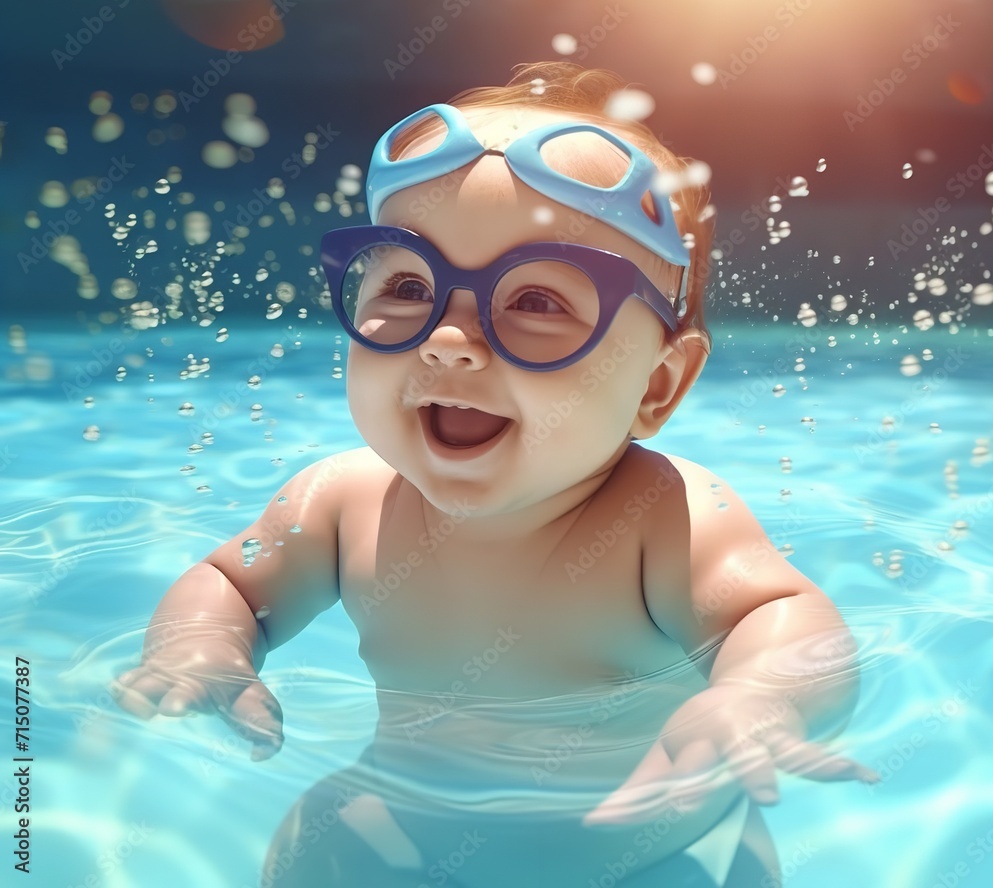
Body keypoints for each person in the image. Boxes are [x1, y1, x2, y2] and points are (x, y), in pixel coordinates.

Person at [111, 61, 876, 888]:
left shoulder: (663, 518)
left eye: (538, 303)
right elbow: (231, 581)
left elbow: (793, 619)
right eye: (408, 283)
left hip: (654, 859)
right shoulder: (340, 499)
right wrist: (203, 646)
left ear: (657, 385)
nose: (447, 338)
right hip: (398, 841)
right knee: (314, 846)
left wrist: (758, 697)